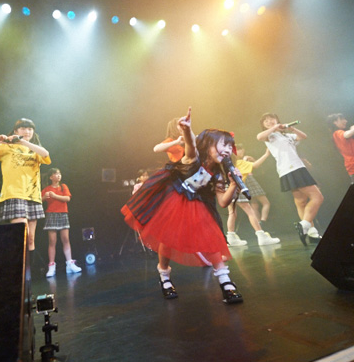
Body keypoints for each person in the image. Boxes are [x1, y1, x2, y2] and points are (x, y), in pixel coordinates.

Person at [122, 107, 244, 304]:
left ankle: (226, 282)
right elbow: (191, 146)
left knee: (212, 237)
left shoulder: (219, 174)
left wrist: (233, 185)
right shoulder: (193, 159)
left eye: (231, 146)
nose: (229, 150)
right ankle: (164, 276)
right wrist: (187, 130)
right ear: (209, 145)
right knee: (167, 240)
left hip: (200, 206)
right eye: (224, 144)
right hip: (176, 201)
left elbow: (223, 202)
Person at [0, 118, 50, 252]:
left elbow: (46, 154)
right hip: (14, 194)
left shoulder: (35, 150)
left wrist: (22, 141)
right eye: (23, 128)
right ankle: (16, 265)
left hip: (33, 196)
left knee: (31, 240)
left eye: (30, 129)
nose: (27, 131)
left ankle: (29, 266)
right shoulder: (6, 147)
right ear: (16, 131)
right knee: (22, 235)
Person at [257, 113, 323, 246]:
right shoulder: (270, 136)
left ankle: (312, 233)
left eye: (271, 119)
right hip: (291, 168)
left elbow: (303, 136)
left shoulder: (286, 135)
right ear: (264, 125)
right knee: (318, 197)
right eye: (266, 121)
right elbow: (259, 137)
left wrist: (291, 128)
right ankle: (304, 225)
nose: (269, 121)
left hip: (296, 167)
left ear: (277, 119)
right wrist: (274, 127)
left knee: (301, 202)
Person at [226, 144, 280, 247]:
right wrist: (266, 154)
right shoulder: (239, 162)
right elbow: (255, 165)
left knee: (232, 213)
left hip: (227, 189)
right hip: (237, 188)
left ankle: (231, 238)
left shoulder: (226, 164)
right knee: (250, 211)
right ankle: (262, 236)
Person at [41, 168, 82, 277]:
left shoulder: (64, 186)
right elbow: (39, 200)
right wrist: (44, 197)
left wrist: (55, 196)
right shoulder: (47, 189)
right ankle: (51, 266)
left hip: (63, 214)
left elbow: (67, 199)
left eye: (59, 173)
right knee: (52, 241)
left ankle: (69, 263)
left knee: (66, 239)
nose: (58, 175)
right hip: (51, 214)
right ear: (51, 177)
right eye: (55, 174)